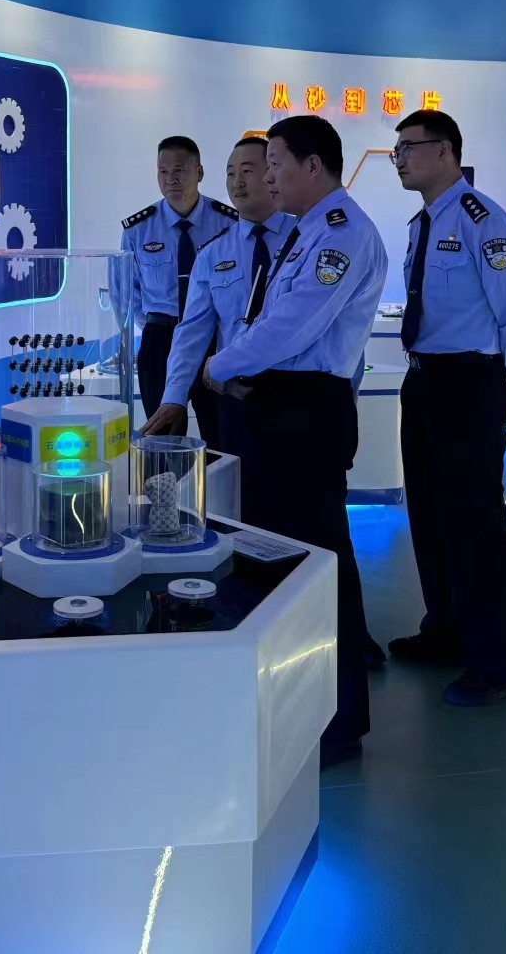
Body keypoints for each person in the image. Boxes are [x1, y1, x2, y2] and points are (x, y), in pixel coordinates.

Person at [201, 115, 385, 767]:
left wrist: (218, 366)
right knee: (280, 558)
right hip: (276, 407)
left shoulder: (342, 234)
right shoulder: (307, 232)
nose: (267, 175)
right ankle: (297, 700)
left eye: (275, 162)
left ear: (313, 165)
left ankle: (336, 719)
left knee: (316, 564)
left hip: (306, 412)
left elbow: (289, 327)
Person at [385, 109, 506, 708]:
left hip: (469, 382)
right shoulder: (422, 224)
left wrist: (504, 380)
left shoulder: (483, 220)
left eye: (409, 147)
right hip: (425, 379)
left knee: (475, 522)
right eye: (397, 149)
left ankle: (497, 661)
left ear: (445, 151)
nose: (399, 158)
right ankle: (446, 629)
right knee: (428, 512)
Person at [139, 135, 295, 452]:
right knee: (230, 473)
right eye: (230, 173)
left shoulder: (306, 237)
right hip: (236, 392)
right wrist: (174, 396)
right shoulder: (214, 252)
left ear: (272, 173)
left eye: (247, 171)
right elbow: (192, 330)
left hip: (296, 395)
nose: (237, 182)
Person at [122, 136, 238, 446]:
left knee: (220, 433)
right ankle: (166, 480)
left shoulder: (227, 223)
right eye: (163, 172)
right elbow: (127, 292)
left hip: (214, 340)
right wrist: (156, 325)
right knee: (162, 437)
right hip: (161, 339)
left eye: (179, 171)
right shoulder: (138, 229)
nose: (170, 179)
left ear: (199, 172)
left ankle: (216, 478)